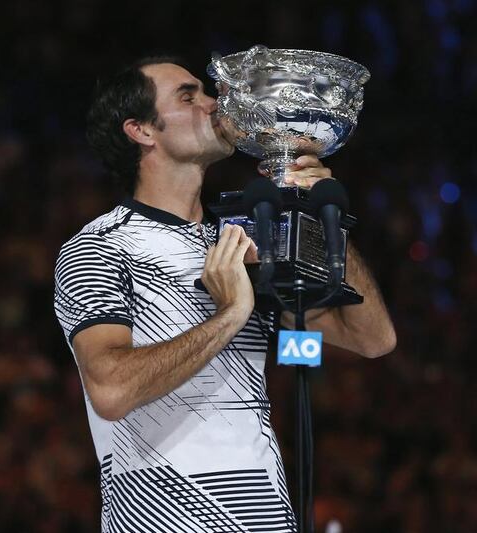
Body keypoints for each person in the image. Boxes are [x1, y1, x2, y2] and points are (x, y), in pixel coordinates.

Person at [54, 56, 396, 532]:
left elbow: (371, 337)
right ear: (141, 131)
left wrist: (321, 219)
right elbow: (111, 389)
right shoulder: (102, 246)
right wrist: (230, 314)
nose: (215, 104)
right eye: (188, 96)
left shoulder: (246, 241)